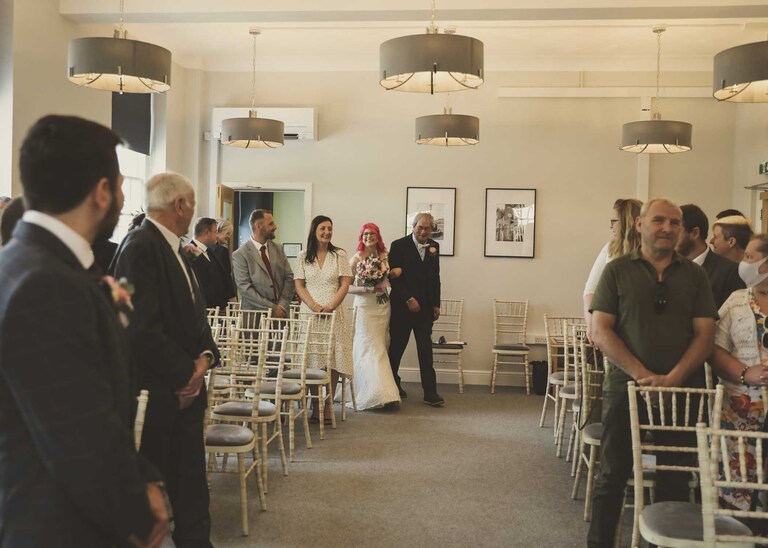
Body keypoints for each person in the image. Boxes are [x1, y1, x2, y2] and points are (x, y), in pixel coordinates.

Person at [0, 115, 168, 546]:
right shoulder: (46, 282)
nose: (124, 196)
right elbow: (78, 431)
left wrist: (143, 475)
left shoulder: (29, 263)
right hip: (58, 521)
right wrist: (136, 508)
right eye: (120, 184)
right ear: (102, 192)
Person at [587, 198, 718, 548]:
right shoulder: (617, 270)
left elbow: (705, 335)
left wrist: (673, 378)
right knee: (612, 476)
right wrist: (642, 374)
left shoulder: (695, 275)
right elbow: (600, 331)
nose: (667, 228)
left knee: (673, 481)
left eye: (674, 223)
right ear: (640, 225)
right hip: (624, 390)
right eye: (658, 220)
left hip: (680, 393)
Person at [110, 172, 219, 548]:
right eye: (192, 204)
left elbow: (196, 314)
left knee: (191, 486)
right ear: (180, 206)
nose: (193, 211)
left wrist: (204, 359)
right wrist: (184, 374)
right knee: (153, 496)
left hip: (186, 389)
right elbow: (139, 326)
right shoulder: (140, 246)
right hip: (157, 394)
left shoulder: (175, 247)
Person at [708, 233, 768, 511]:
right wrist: (745, 373)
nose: (742, 263)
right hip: (739, 408)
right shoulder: (736, 301)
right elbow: (713, 348)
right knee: (737, 486)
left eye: (749, 257)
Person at [293, 215, 353, 421]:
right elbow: (299, 285)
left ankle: (327, 404)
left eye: (330, 228)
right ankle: (315, 404)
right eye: (323, 228)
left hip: (334, 313)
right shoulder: (302, 256)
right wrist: (314, 306)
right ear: (314, 230)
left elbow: (345, 284)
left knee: (331, 360)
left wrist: (331, 306)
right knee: (312, 359)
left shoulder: (339, 255)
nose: (327, 232)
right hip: (310, 314)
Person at [388, 212, 444, 407]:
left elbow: (434, 278)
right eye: (420, 227)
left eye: (427, 228)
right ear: (413, 227)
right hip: (402, 308)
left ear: (431, 230)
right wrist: (408, 299)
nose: (423, 231)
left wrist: (436, 303)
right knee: (396, 350)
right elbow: (394, 280)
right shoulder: (398, 246)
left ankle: (430, 392)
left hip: (425, 310)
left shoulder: (434, 247)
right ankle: (393, 385)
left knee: (425, 351)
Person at [347, 223, 401, 410]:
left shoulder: (384, 256)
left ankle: (382, 390)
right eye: (366, 233)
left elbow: (387, 280)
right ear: (361, 236)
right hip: (364, 308)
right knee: (368, 347)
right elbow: (346, 287)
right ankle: (378, 393)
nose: (369, 236)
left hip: (382, 306)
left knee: (381, 346)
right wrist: (368, 288)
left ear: (378, 237)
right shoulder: (355, 259)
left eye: (373, 234)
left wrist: (390, 277)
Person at [582, 198, 642, 341]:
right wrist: (591, 324)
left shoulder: (650, 251)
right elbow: (590, 290)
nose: (611, 226)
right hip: (608, 327)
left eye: (614, 221)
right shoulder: (610, 249)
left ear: (627, 222)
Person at [677, 203, 744, 309]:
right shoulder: (669, 267)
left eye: (677, 230)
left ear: (695, 233)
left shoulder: (730, 272)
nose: (670, 236)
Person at [232, 209, 294, 319]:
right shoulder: (240, 254)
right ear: (258, 226)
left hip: (281, 316)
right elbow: (245, 288)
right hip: (255, 318)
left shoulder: (279, 249)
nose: (275, 226)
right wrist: (272, 309)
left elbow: (289, 278)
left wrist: (282, 306)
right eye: (271, 224)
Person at [188, 217, 237, 310]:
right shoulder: (188, 252)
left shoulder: (211, 251)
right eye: (215, 232)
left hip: (218, 309)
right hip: (202, 310)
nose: (216, 235)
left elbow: (223, 276)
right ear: (207, 232)